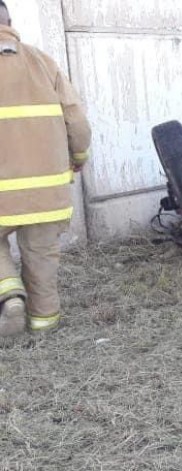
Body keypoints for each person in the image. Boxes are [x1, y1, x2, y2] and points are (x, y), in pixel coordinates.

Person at [0, 0, 91, 337]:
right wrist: (78, 158)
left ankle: (8, 294)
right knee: (41, 258)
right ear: (9, 20)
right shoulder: (44, 62)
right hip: (46, 192)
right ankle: (43, 328)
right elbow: (77, 122)